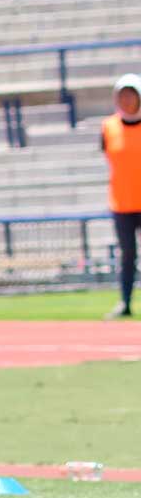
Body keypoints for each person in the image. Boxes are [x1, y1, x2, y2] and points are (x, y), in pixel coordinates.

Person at [102, 73, 141, 319]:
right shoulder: (109, 127)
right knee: (127, 255)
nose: (127, 101)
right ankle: (125, 302)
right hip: (122, 203)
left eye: (131, 95)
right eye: (122, 96)